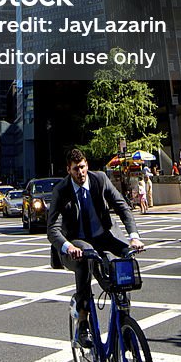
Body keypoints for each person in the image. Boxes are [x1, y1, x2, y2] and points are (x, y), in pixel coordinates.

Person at [47, 148, 144, 349]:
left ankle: (124, 322)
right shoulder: (61, 191)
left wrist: (134, 237)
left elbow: (121, 206)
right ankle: (83, 322)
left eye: (82, 167)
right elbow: (52, 229)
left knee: (123, 264)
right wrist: (68, 246)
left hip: (104, 238)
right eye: (75, 169)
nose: (80, 173)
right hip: (77, 243)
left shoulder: (99, 180)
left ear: (87, 165)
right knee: (86, 259)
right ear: (68, 170)